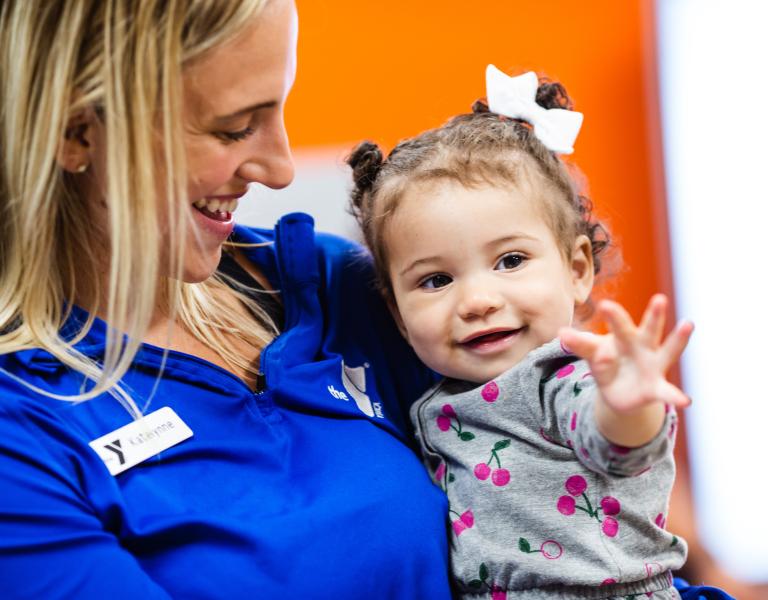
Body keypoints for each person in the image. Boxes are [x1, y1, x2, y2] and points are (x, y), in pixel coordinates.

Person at [0, 1, 454, 598]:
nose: (281, 167)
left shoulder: (330, 284)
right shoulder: (21, 431)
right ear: (75, 132)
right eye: (234, 126)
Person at [346, 66, 716, 599]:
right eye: (436, 279)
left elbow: (615, 442)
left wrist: (629, 405)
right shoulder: (431, 402)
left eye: (511, 260)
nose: (477, 300)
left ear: (577, 269)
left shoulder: (561, 378)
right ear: (398, 313)